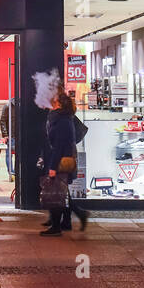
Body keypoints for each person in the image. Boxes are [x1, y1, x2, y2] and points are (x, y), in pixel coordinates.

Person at [40, 88, 87, 236]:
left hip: (61, 160)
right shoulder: (61, 118)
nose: (52, 102)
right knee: (62, 191)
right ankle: (68, 220)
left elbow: (59, 145)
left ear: (59, 104)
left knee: (56, 192)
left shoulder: (62, 120)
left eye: (55, 100)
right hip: (62, 157)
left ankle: (56, 227)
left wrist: (53, 167)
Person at [0, 100, 14, 180]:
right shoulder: (7, 106)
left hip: (18, 135)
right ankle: (11, 173)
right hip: (10, 135)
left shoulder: (21, 106)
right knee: (9, 154)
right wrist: (5, 135)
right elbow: (2, 121)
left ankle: (16, 173)